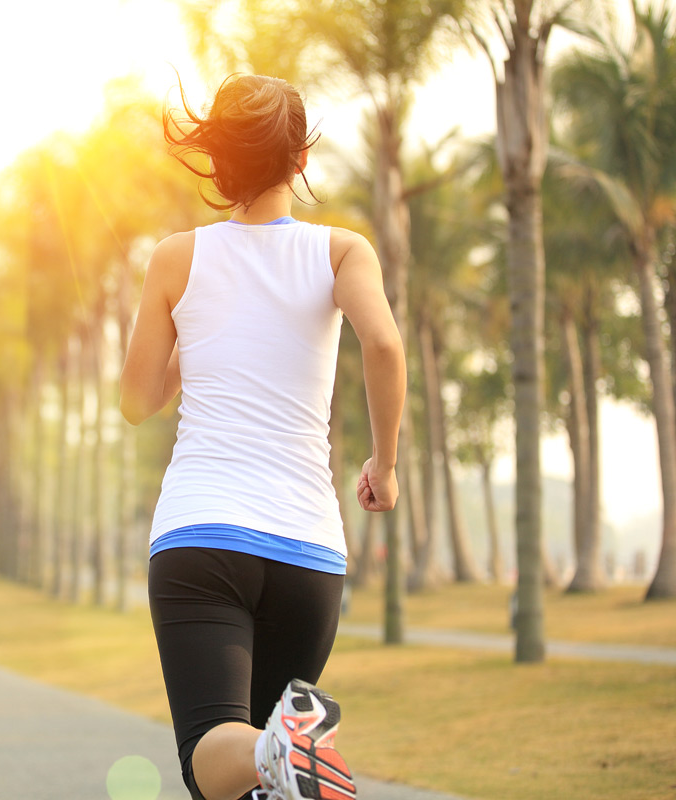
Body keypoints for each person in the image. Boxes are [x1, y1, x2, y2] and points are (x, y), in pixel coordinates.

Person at [120, 74, 406, 800]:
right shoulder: (343, 251)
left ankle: (290, 747)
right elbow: (385, 346)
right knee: (259, 783)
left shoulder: (176, 258)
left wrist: (201, 339)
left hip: (202, 536)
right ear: (301, 159)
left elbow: (134, 400)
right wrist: (385, 463)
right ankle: (290, 747)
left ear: (219, 164)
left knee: (212, 752)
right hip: (308, 550)